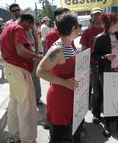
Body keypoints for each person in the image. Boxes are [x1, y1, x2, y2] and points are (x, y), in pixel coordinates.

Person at [36, 12, 83, 143]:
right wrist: (64, 82)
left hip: (69, 96)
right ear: (72, 28)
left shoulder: (68, 44)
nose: (79, 29)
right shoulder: (58, 49)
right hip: (60, 100)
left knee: (69, 134)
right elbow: (40, 71)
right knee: (58, 136)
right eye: (78, 26)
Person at [0, 13, 42, 143]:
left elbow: (16, 48)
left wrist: (27, 47)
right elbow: (20, 51)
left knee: (15, 103)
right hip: (18, 69)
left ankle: (15, 135)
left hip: (11, 68)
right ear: (27, 22)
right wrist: (36, 56)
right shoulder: (18, 29)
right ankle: (27, 139)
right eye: (30, 26)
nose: (30, 29)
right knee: (26, 104)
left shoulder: (8, 27)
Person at [92, 12, 118, 138]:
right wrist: (104, 57)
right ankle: (107, 125)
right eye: (117, 22)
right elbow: (94, 54)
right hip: (107, 73)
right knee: (108, 100)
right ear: (111, 24)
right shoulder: (100, 38)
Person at [79, 7, 104, 124]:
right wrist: (87, 65)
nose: (97, 16)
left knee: (105, 89)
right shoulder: (87, 32)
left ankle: (105, 110)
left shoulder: (107, 30)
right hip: (93, 65)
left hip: (107, 65)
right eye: (94, 15)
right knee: (96, 90)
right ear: (91, 17)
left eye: (99, 14)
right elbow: (84, 51)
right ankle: (96, 114)